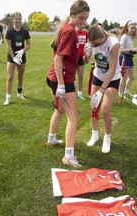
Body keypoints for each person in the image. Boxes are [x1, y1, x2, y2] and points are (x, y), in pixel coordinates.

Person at [46, 0, 90, 167]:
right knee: (74, 118)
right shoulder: (70, 31)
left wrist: (86, 54)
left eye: (85, 18)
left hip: (56, 77)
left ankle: (51, 139)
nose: (83, 21)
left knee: (60, 109)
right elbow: (58, 58)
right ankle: (68, 156)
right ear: (72, 14)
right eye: (80, 17)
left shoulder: (68, 28)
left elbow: (73, 59)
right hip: (62, 78)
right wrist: (62, 85)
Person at [84, 24, 121, 153]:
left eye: (97, 44)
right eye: (93, 45)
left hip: (112, 78)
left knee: (105, 110)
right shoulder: (92, 43)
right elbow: (86, 61)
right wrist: (87, 55)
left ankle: (107, 138)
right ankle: (94, 135)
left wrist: (101, 90)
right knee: (94, 107)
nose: (96, 47)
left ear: (103, 36)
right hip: (98, 76)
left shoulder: (114, 44)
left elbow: (111, 71)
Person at [3, 12, 31, 105]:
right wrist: (14, 58)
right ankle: (8, 98)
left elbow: (29, 45)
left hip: (21, 56)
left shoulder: (25, 31)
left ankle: (19, 93)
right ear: (13, 20)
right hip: (12, 57)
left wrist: (22, 51)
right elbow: (9, 46)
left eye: (19, 19)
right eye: (16, 19)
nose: (18, 20)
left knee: (20, 76)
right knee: (10, 77)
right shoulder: (10, 31)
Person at [118, 20, 137, 100]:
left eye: (134, 28)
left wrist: (133, 51)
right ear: (128, 27)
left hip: (129, 57)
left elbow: (129, 49)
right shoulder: (124, 37)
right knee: (123, 77)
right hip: (124, 58)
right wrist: (131, 50)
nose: (133, 29)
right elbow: (121, 49)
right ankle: (121, 94)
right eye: (132, 28)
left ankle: (126, 91)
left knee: (132, 77)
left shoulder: (130, 36)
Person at [76, 24, 88, 100]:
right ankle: (71, 92)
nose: (82, 26)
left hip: (81, 57)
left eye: (84, 25)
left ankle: (80, 93)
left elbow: (87, 44)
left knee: (81, 76)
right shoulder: (74, 32)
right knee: (71, 77)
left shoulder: (85, 33)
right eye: (81, 25)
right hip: (74, 57)